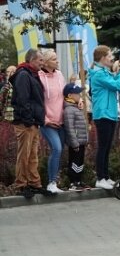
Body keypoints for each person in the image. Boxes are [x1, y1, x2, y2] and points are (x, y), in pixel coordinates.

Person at [89, 45, 120, 190]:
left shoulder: (104, 72)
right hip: (103, 114)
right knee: (103, 147)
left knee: (107, 147)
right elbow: (117, 85)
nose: (112, 58)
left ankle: (105, 176)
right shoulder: (98, 74)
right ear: (103, 58)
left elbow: (113, 82)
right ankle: (100, 178)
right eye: (110, 55)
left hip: (110, 113)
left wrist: (118, 73)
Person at [10, 49, 46, 196]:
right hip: (25, 122)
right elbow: (23, 99)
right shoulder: (23, 74)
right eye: (40, 60)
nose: (42, 63)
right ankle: (21, 184)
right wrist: (28, 120)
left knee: (32, 155)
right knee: (24, 154)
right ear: (31, 60)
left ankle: (34, 183)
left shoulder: (32, 74)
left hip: (33, 121)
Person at [38, 49, 67, 194]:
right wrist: (45, 120)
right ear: (47, 61)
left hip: (61, 121)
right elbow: (37, 101)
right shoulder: (39, 76)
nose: (57, 61)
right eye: (54, 59)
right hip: (47, 122)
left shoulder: (60, 74)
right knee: (57, 149)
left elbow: (66, 94)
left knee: (58, 151)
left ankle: (55, 180)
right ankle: (51, 183)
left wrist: (78, 100)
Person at [63, 83, 89, 190]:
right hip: (76, 142)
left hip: (81, 141)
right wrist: (74, 143)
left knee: (80, 162)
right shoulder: (69, 110)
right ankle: (73, 182)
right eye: (77, 94)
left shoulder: (76, 108)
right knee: (74, 161)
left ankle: (78, 180)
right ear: (70, 96)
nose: (80, 96)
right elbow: (70, 128)